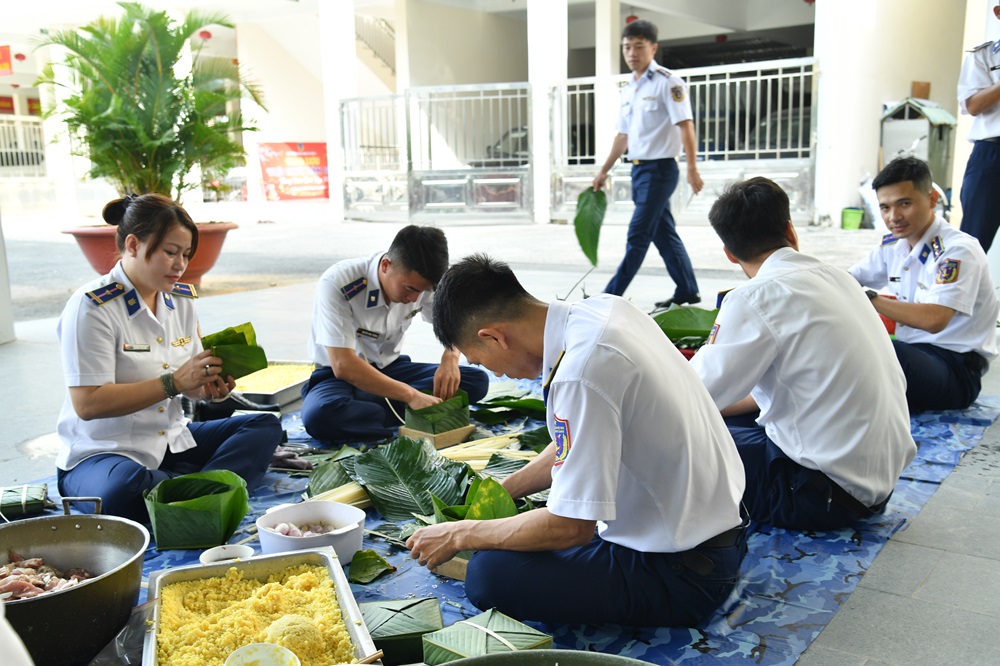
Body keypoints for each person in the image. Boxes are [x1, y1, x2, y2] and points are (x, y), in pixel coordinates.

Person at [406, 255, 747, 627]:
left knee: (489, 574)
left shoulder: (580, 373)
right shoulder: (607, 310)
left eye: (481, 360)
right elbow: (581, 438)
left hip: (681, 574)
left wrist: (460, 533)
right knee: (510, 541)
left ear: (494, 336)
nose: (496, 371)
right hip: (722, 536)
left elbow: (570, 527)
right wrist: (505, 489)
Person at [689, 177, 916, 531]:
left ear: (730, 253)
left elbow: (689, 394)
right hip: (876, 486)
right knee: (722, 420)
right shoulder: (840, 279)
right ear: (791, 231)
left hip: (816, 497)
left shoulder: (753, 297)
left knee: (681, 442)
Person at [56, 194, 283, 523]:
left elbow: (188, 382)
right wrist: (173, 382)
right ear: (133, 245)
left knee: (263, 426)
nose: (180, 265)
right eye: (170, 252)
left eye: (186, 255)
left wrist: (205, 388)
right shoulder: (92, 307)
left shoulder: (182, 300)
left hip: (170, 442)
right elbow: (88, 404)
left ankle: (181, 492)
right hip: (104, 453)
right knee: (123, 489)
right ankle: (207, 490)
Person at [301, 225, 489, 443]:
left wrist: (450, 358)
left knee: (476, 380)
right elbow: (343, 365)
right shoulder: (338, 283)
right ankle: (402, 408)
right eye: (409, 289)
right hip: (338, 377)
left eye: (423, 291)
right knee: (322, 417)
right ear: (385, 265)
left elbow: (456, 326)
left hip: (392, 370)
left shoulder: (423, 285)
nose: (414, 298)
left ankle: (374, 409)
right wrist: (411, 395)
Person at [850, 157, 999, 413]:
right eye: (884, 208)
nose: (894, 217)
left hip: (956, 370)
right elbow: (849, 278)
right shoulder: (892, 245)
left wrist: (869, 298)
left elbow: (935, 319)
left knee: (877, 352)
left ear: (931, 200)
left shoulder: (957, 250)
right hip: (916, 358)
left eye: (904, 204)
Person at [592, 18, 703, 309]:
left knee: (638, 234)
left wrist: (692, 167)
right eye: (627, 47)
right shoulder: (629, 88)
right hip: (639, 170)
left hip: (662, 169)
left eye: (638, 47)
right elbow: (622, 136)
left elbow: (685, 125)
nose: (631, 53)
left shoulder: (669, 82)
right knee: (663, 233)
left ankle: (609, 296)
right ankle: (688, 289)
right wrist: (603, 171)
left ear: (653, 48)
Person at [957, 1, 1000, 252]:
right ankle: (960, 291)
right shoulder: (983, 56)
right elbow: (972, 104)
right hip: (991, 155)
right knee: (974, 241)